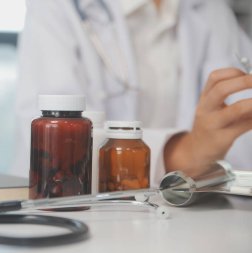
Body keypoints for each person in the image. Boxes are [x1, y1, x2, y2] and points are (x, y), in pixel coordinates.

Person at [13, 0, 252, 186]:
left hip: (179, 209)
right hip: (67, 213)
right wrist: (186, 153)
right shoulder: (58, 7)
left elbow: (242, 134)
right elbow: (57, 148)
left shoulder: (211, 10)